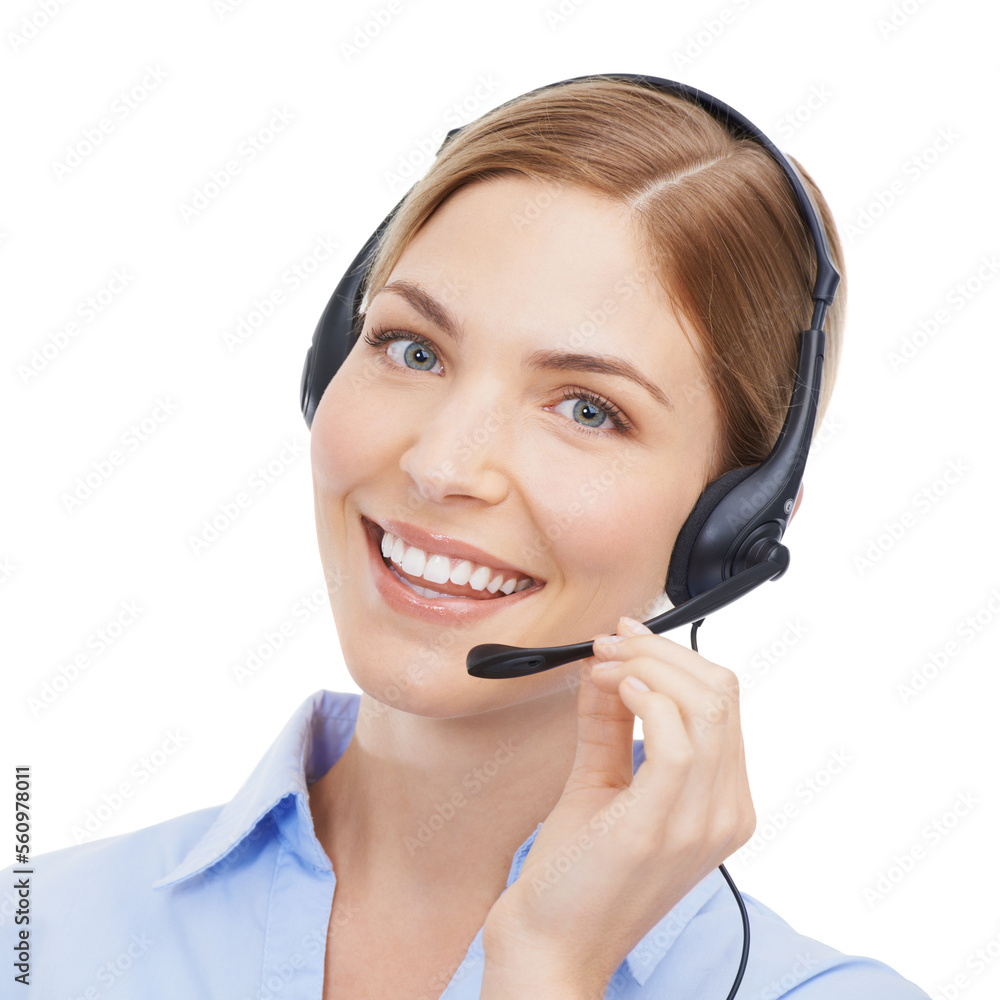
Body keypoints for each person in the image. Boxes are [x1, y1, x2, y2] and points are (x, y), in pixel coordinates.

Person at [5, 75, 930, 999]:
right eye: (414, 349)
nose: (444, 465)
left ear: (735, 520)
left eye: (587, 409)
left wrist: (547, 972)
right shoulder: (41, 936)